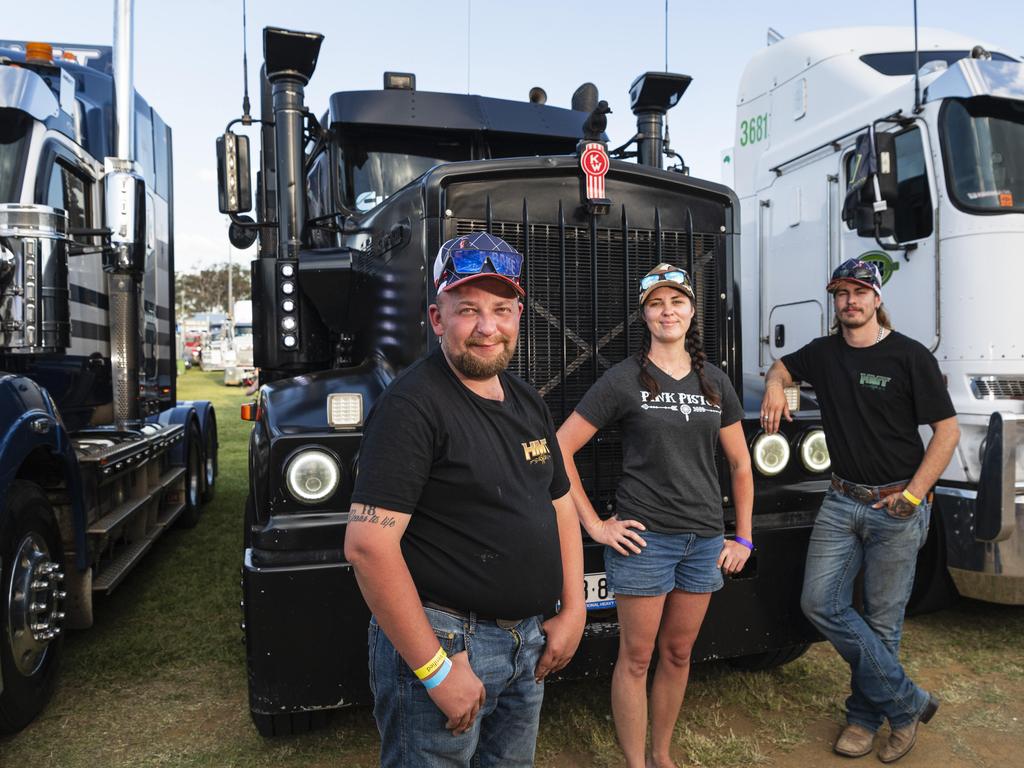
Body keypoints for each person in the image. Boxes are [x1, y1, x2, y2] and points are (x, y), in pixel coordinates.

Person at [344, 232, 586, 768]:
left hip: (527, 643)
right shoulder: (411, 407)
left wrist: (573, 610)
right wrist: (435, 669)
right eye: (467, 310)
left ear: (519, 314)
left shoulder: (526, 400)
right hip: (448, 643)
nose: (487, 327)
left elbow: (561, 506)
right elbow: (367, 548)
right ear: (437, 318)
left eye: (501, 309)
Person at [760, 258, 959, 763]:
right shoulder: (825, 354)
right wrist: (773, 388)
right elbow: (781, 367)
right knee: (819, 604)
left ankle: (865, 718)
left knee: (883, 620)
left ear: (876, 299)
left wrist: (914, 495)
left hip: (898, 505)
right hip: (841, 500)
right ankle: (908, 703)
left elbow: (948, 432)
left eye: (859, 292)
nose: (850, 301)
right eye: (841, 293)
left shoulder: (910, 357)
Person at [556, 263, 753, 768]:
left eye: (677, 302)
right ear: (644, 314)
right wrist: (595, 525)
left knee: (679, 655)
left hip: (705, 543)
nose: (668, 311)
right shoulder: (623, 379)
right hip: (646, 542)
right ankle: (635, 764)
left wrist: (743, 538)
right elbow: (560, 449)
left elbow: (740, 464)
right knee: (637, 658)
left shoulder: (715, 382)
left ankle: (662, 755)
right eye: (656, 304)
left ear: (692, 310)